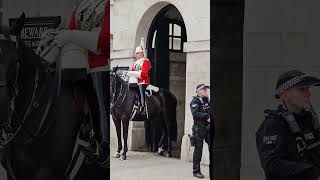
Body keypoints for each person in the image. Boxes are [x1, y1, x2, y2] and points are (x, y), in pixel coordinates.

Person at [38, 0, 110, 165]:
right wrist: (53, 37)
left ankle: (103, 144)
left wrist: (71, 36)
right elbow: (69, 31)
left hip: (100, 65)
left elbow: (105, 41)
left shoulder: (107, 5)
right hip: (77, 64)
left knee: (99, 105)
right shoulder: (80, 6)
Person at [256, 70, 320, 180]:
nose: (308, 93)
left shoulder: (308, 120)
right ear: (285, 95)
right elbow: (271, 165)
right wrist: (312, 172)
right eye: (302, 89)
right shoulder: (273, 124)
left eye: (308, 89)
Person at [125, 38, 151, 114]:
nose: (137, 55)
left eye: (138, 53)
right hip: (135, 81)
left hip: (143, 81)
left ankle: (143, 107)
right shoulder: (135, 63)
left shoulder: (145, 61)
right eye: (136, 53)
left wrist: (132, 72)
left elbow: (143, 74)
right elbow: (132, 73)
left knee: (140, 87)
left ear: (142, 53)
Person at [190, 83, 210, 179]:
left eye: (206, 89)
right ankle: (196, 171)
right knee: (198, 150)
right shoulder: (195, 101)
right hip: (199, 128)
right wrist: (206, 116)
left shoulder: (207, 100)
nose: (206, 91)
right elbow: (195, 113)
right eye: (204, 89)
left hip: (208, 127)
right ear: (198, 91)